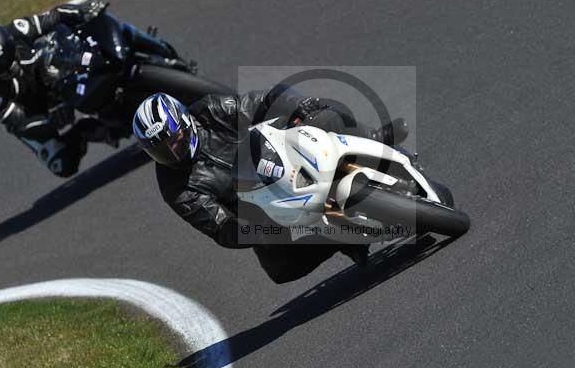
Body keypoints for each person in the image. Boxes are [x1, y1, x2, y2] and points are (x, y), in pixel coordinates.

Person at [132, 89, 409, 284]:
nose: (174, 151)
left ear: (185, 121)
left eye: (176, 140)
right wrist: (257, 231)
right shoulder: (175, 187)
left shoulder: (210, 110)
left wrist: (296, 106)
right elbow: (218, 226)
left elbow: (258, 102)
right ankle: (341, 239)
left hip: (277, 154)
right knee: (280, 269)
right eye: (163, 150)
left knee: (320, 113)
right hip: (262, 206)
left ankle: (375, 137)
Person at [0, 1, 193, 177]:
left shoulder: (15, 31)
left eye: (10, 56)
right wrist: (50, 121)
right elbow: (20, 123)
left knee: (107, 26)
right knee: (61, 164)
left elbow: (54, 17)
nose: (12, 66)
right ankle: (90, 130)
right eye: (2, 67)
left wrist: (82, 11)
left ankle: (159, 49)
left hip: (55, 63)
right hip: (44, 106)